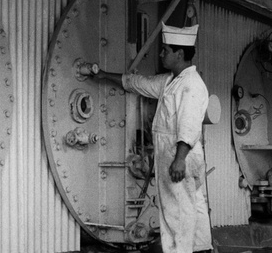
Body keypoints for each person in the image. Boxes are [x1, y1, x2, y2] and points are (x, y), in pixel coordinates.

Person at [91, 22, 212, 253]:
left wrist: (179, 159)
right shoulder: (171, 81)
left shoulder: (190, 85)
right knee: (193, 204)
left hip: (180, 155)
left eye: (165, 50)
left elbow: (188, 125)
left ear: (179, 53)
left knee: (176, 209)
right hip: (182, 155)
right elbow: (140, 84)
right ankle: (201, 248)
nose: (161, 53)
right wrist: (106, 75)